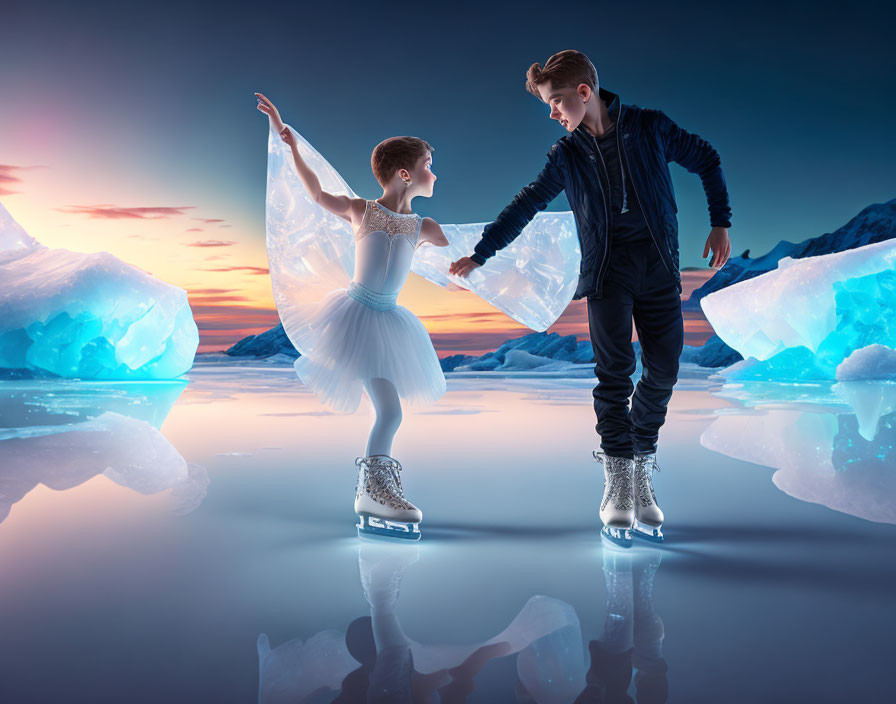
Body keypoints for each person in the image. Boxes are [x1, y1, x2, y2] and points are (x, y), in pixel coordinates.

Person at [449, 51, 733, 547]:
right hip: (606, 274)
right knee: (615, 372)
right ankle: (619, 480)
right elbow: (528, 201)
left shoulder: (649, 126)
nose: (552, 114)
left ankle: (638, 460)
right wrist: (482, 253)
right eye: (547, 105)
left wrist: (720, 221)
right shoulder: (565, 156)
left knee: (665, 368)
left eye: (556, 101)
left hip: (660, 267)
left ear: (584, 92)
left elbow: (706, 157)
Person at [256, 93, 449, 541]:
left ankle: (374, 490)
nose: (433, 173)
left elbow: (464, 254)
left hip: (390, 323)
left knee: (389, 411)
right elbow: (317, 193)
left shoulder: (426, 229)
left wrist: (480, 260)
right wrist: (291, 146)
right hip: (358, 318)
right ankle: (374, 490)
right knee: (390, 412)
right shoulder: (363, 210)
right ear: (406, 174)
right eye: (427, 164)